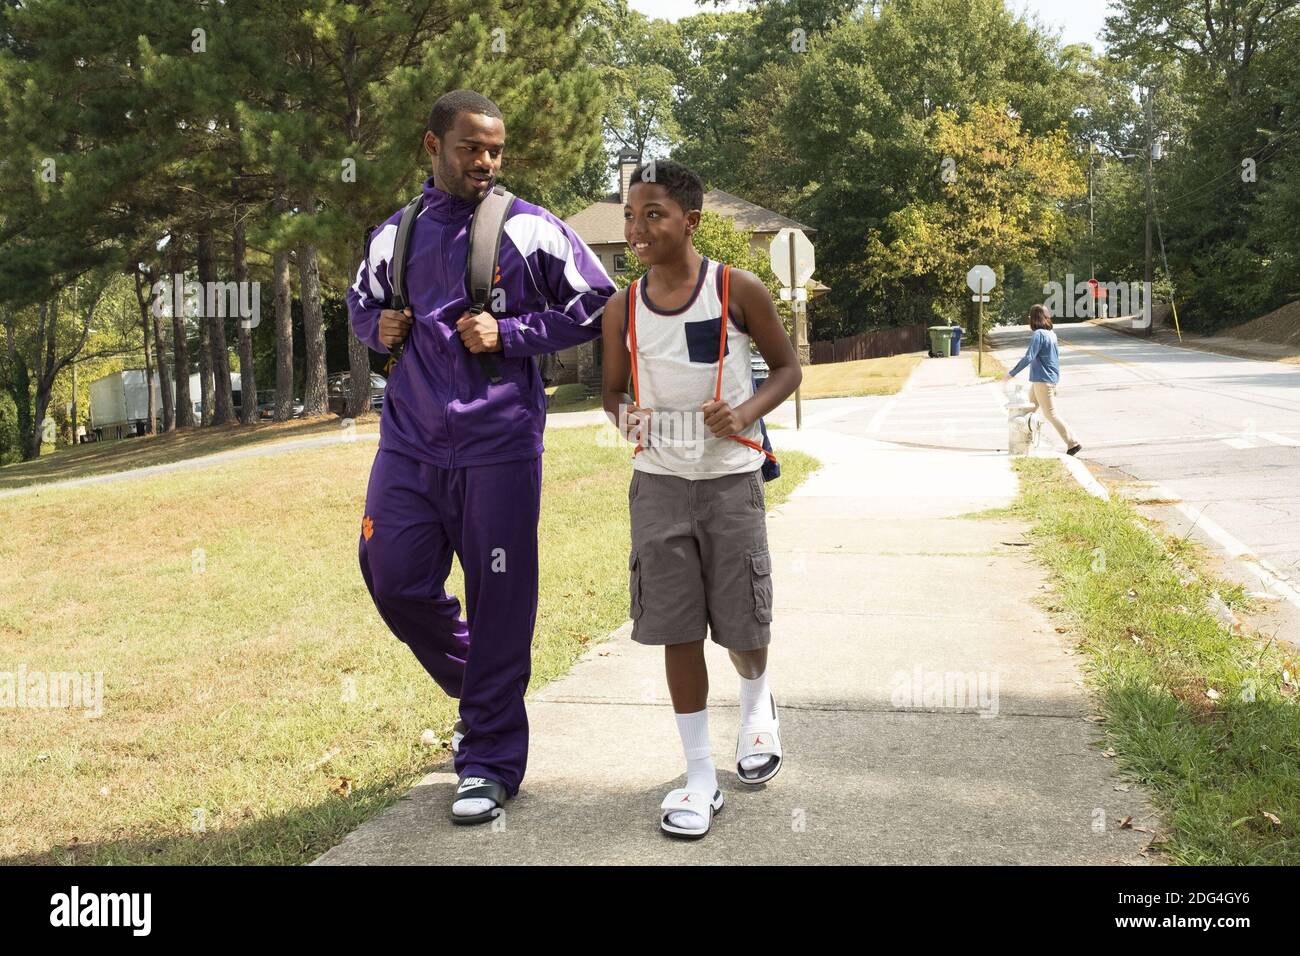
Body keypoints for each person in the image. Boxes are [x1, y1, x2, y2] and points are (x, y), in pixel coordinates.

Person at [347, 90, 616, 825]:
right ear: (431, 147)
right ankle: (488, 695)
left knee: (500, 601)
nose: (485, 162)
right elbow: (359, 303)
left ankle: (489, 760)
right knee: (392, 577)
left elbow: (598, 301)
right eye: (471, 147)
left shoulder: (529, 228)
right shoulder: (393, 236)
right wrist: (380, 325)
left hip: (498, 446)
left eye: (495, 150)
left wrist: (513, 334)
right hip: (408, 444)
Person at [600, 160, 802, 839]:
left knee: (743, 626)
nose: (637, 228)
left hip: (729, 483)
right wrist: (626, 419)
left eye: (652, 214)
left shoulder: (735, 289)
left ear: (690, 221)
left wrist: (744, 413)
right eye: (630, 215)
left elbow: (787, 368)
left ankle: (755, 704)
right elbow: (612, 391)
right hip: (658, 487)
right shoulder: (621, 308)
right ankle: (699, 777)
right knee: (676, 628)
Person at [1003, 303, 1081, 456]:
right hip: (1046, 379)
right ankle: (1023, 443)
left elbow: (1029, 357)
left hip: (1042, 380)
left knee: (1051, 414)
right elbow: (1055, 359)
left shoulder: (1039, 334)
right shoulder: (1051, 334)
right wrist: (1055, 381)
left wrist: (1011, 374)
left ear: (1033, 318)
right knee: (1027, 411)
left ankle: (1073, 443)